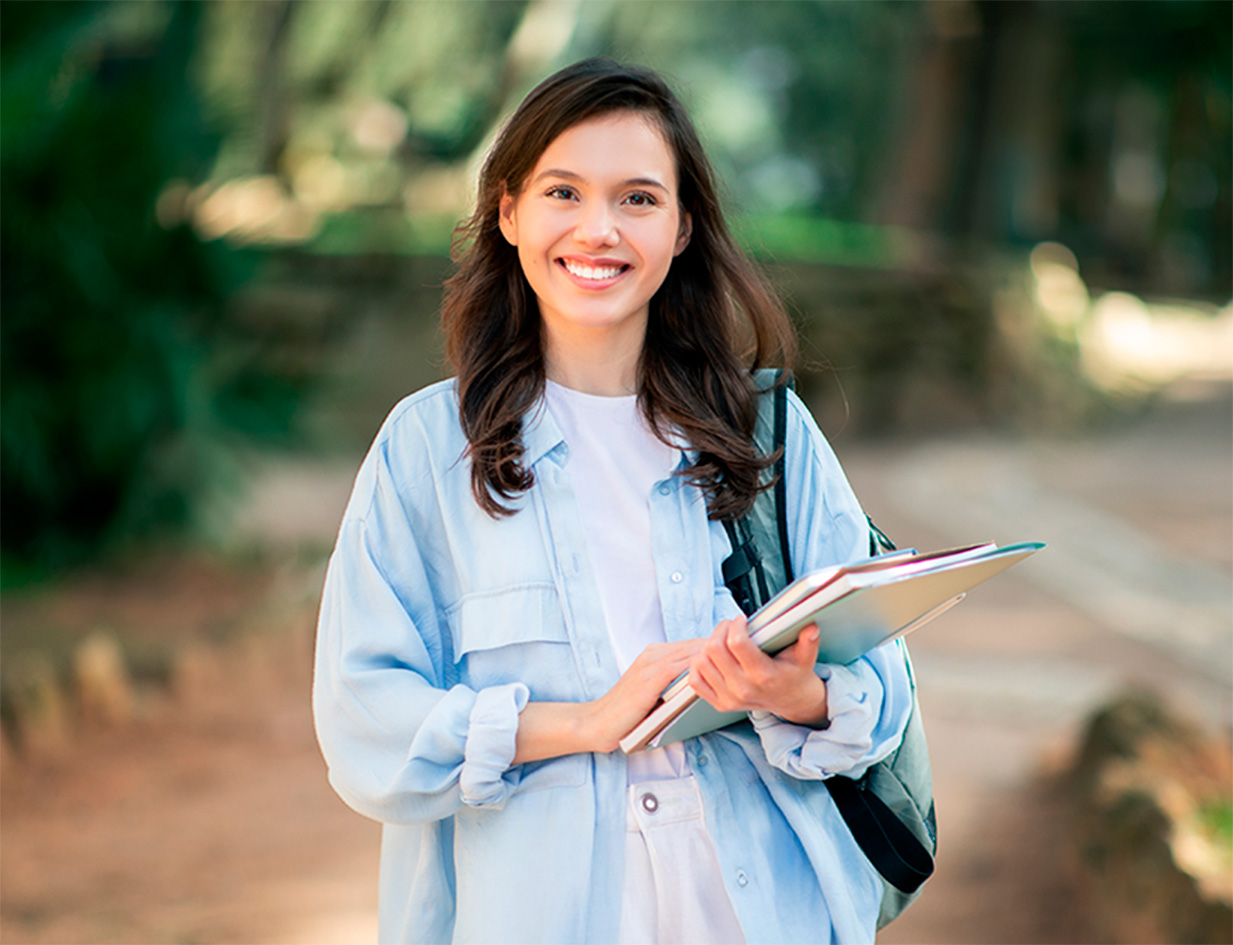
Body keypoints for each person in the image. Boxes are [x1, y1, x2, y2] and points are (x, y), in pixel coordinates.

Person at [313, 58, 913, 945]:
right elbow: (363, 722)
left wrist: (799, 697)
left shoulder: (766, 432)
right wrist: (583, 722)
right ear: (509, 212)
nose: (598, 230)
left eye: (637, 199)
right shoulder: (427, 450)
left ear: (680, 229)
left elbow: (884, 686)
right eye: (564, 192)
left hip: (758, 910)